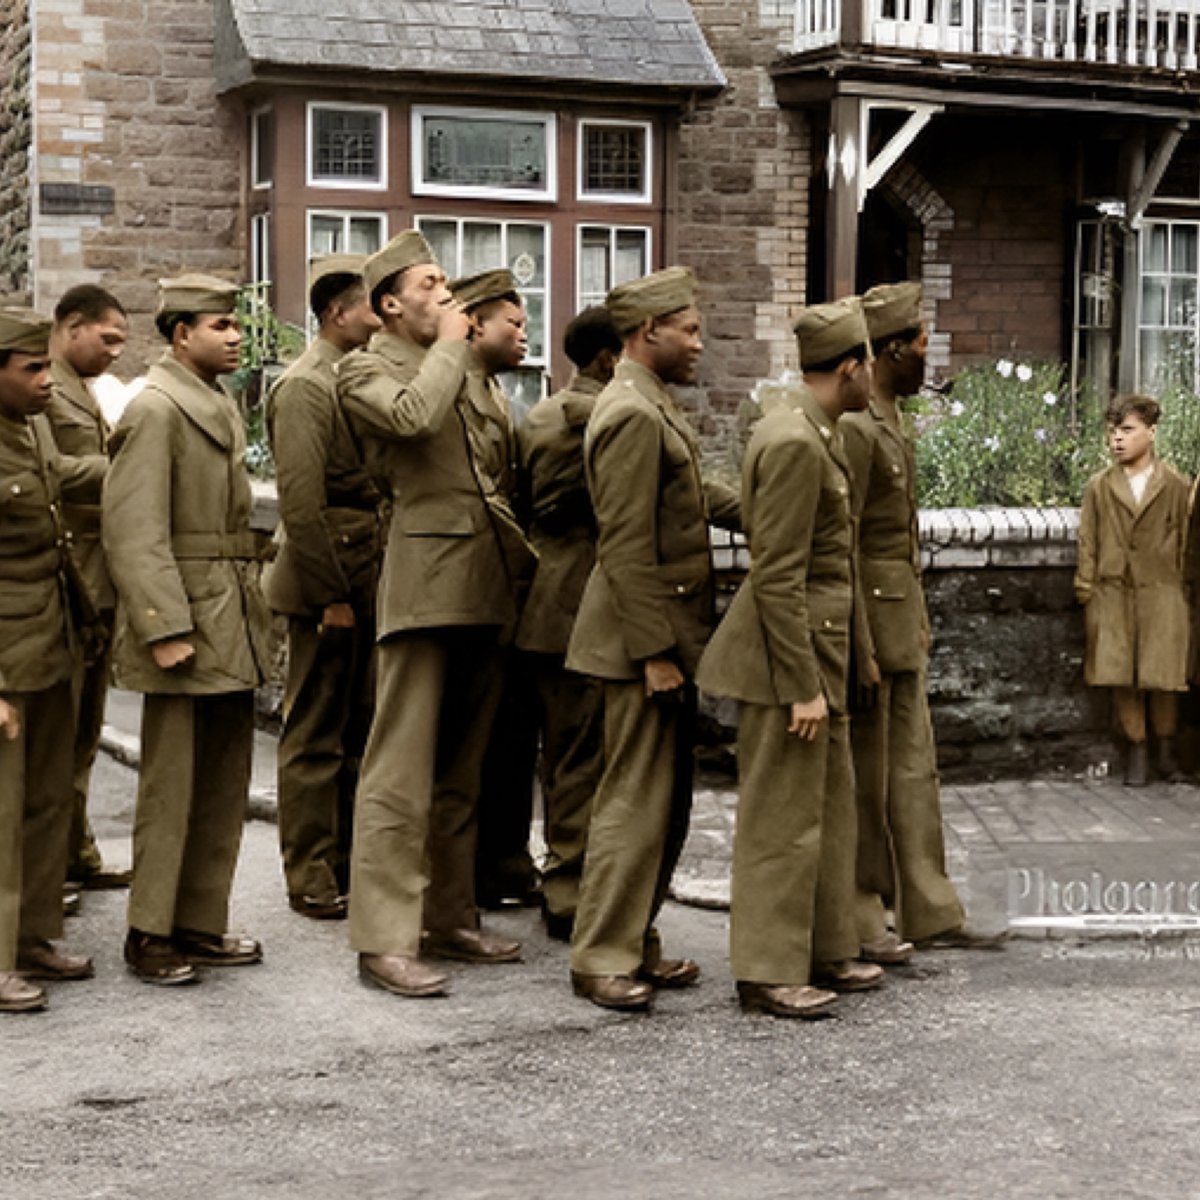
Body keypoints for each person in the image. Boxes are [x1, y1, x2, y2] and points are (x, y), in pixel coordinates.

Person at [338, 233, 535, 1000]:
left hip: (482, 581)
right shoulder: (367, 369)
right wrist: (454, 346)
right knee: (399, 771)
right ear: (390, 303)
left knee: (461, 768)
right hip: (422, 583)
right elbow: (415, 421)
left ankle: (448, 912)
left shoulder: (465, 375)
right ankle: (383, 937)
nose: (447, 293)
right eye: (431, 282)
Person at [697, 297, 883, 1019]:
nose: (871, 379)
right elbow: (775, 573)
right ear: (850, 367)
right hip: (789, 661)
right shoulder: (795, 441)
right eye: (866, 365)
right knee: (781, 818)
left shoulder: (820, 430)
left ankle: (825, 946)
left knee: (826, 811)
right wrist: (804, 684)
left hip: (820, 653)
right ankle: (768, 970)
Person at [566, 266, 740, 1012]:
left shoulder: (651, 402)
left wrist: (786, 507)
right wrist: (656, 652)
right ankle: (600, 954)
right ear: (648, 333)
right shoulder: (630, 413)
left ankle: (635, 941)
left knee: (663, 807)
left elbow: (697, 496)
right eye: (690, 330)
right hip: (641, 645)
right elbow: (626, 545)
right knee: (632, 803)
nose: (700, 343)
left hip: (663, 637)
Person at [103, 274, 275, 985]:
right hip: (187, 613)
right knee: (172, 783)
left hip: (228, 610)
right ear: (180, 335)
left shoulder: (212, 401)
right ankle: (149, 932)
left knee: (222, 780)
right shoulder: (155, 409)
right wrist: (162, 625)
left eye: (236, 326)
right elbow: (134, 529)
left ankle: (199, 920)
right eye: (219, 326)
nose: (236, 337)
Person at [844, 282, 985, 956]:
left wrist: (916, 617)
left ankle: (927, 908)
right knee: (869, 774)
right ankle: (866, 910)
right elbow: (841, 540)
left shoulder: (891, 415)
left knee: (911, 770)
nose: (931, 356)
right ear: (893, 350)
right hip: (870, 623)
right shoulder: (855, 422)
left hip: (900, 617)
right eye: (923, 344)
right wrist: (860, 643)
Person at [265, 255, 383, 920]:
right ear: (338, 315)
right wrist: (330, 595)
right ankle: (308, 871)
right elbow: (301, 505)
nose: (379, 315)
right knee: (313, 733)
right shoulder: (308, 385)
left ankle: (340, 859)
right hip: (326, 583)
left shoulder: (351, 376)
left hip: (362, 574)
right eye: (371, 305)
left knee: (355, 728)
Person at [0, 304, 105, 1013]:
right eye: (31, 368)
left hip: (49, 640)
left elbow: (61, 476)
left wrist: (130, 455)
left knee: (43, 803)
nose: (47, 380)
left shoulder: (29, 428)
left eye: (46, 364)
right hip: (6, 657)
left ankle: (34, 934)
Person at [516, 305, 621, 939]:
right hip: (583, 596)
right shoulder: (601, 416)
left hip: (544, 598)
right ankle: (571, 890)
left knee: (562, 754)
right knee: (583, 753)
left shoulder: (540, 413)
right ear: (609, 358)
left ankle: (564, 879)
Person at [449, 269, 542, 911]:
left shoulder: (494, 397)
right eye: (514, 322)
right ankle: (474, 875)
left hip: (497, 591)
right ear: (474, 323)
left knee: (506, 737)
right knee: (467, 747)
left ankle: (500, 864)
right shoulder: (456, 391)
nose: (524, 334)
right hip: (469, 589)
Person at [46, 284, 131, 895]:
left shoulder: (81, 389)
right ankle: (52, 862)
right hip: (67, 578)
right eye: (106, 339)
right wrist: (126, 467)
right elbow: (47, 472)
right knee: (61, 727)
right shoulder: (38, 382)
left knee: (86, 727)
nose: (114, 354)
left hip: (98, 580)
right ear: (71, 326)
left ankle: (78, 851)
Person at [1077, 394, 1190, 786]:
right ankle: (1137, 750)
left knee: (1164, 675)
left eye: (1127, 430)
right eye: (1112, 431)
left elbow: (1186, 542)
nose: (1117, 440)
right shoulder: (1100, 487)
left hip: (1162, 591)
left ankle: (1165, 749)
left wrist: (1182, 588)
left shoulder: (1175, 485)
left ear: (1151, 432)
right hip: (1113, 592)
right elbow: (1087, 539)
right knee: (1120, 674)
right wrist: (1086, 588)